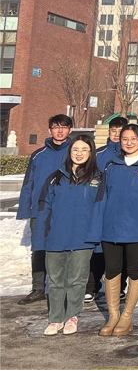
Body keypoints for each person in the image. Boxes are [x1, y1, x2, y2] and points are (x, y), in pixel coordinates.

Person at [87, 124, 138, 337]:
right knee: (111, 271)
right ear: (119, 140)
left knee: (135, 271)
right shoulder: (110, 165)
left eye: (133, 139)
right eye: (125, 138)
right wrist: (97, 228)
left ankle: (127, 317)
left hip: (137, 230)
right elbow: (101, 198)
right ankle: (113, 316)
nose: (129, 142)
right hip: (110, 229)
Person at [34, 135, 103, 336]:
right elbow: (44, 208)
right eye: (75, 150)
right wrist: (42, 235)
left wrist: (95, 236)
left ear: (91, 153)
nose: (79, 154)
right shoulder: (55, 177)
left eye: (84, 150)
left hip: (83, 239)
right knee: (55, 280)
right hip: (57, 237)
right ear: (69, 152)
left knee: (77, 280)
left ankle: (72, 315)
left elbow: (100, 208)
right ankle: (55, 318)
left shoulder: (97, 178)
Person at [16, 114, 73, 305]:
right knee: (39, 247)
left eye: (64, 127)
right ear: (49, 130)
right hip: (40, 209)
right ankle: (38, 287)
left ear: (70, 130)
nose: (60, 130)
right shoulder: (38, 155)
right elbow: (29, 182)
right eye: (56, 127)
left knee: (64, 248)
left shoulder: (75, 151)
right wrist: (25, 209)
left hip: (65, 209)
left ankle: (64, 288)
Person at [91, 116, 129, 303]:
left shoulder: (131, 154)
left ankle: (119, 287)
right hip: (100, 206)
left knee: (121, 250)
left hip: (123, 209)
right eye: (113, 131)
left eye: (120, 131)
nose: (116, 135)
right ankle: (92, 286)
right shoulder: (98, 154)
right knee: (97, 249)